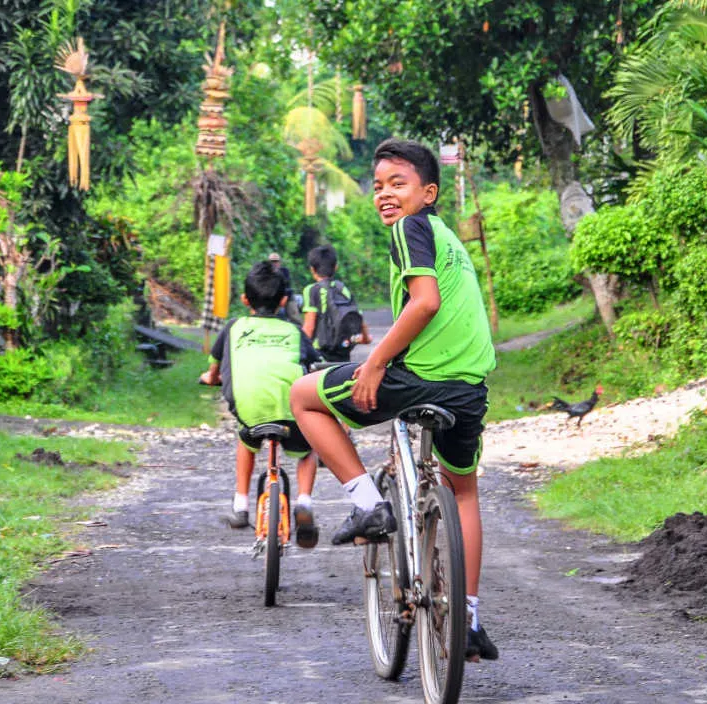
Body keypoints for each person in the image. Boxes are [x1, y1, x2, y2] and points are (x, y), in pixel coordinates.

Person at [290, 138, 499, 661]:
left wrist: (377, 360)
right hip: (470, 387)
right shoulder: (450, 239)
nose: (385, 194)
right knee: (465, 492)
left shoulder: (411, 229)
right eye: (379, 185)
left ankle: (368, 505)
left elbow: (424, 302)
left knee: (303, 397)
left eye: (398, 184)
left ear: (428, 193)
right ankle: (468, 618)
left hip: (419, 379)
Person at [200, 261, 322, 548]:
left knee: (246, 440)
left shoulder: (233, 327)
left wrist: (209, 378)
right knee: (308, 449)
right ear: (283, 301)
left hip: (249, 408)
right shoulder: (295, 332)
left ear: (245, 300)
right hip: (292, 409)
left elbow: (214, 370)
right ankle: (304, 500)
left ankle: (241, 505)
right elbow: (313, 364)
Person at [300, 244, 372, 362]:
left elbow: (309, 326)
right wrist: (366, 337)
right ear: (336, 267)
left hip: (320, 353)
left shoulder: (311, 290)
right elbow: (357, 314)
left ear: (312, 269)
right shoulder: (342, 288)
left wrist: (301, 349)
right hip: (343, 352)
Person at [267, 252, 302, 324]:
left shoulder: (284, 271)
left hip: (286, 296)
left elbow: (286, 283)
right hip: (272, 299)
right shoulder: (265, 273)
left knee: (294, 317)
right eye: (272, 261)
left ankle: (302, 330)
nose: (274, 263)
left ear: (279, 262)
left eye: (276, 261)